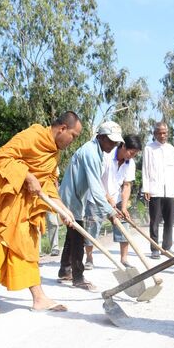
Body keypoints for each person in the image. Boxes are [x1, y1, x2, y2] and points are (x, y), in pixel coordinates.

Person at [0, 111, 82, 316]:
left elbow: (47, 186)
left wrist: (62, 209)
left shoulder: (53, 155)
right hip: (4, 203)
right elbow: (2, 158)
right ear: (62, 128)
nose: (72, 141)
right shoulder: (33, 135)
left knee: (26, 248)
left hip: (24, 209)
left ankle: (39, 298)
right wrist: (27, 176)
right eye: (73, 135)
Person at [58, 121, 122, 291]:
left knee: (73, 234)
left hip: (77, 195)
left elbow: (95, 184)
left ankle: (65, 270)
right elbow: (95, 188)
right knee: (78, 235)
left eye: (116, 142)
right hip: (71, 197)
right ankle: (78, 277)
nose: (114, 145)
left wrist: (109, 203)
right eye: (111, 141)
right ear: (100, 137)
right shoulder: (91, 153)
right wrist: (110, 213)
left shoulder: (97, 150)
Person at [84, 134, 142, 269]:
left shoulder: (130, 163)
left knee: (124, 228)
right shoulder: (106, 156)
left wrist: (124, 206)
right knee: (91, 228)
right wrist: (107, 197)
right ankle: (89, 257)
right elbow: (95, 179)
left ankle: (124, 259)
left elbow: (127, 185)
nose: (131, 156)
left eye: (134, 154)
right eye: (130, 152)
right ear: (123, 146)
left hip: (116, 200)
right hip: (96, 198)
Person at [142, 122, 174, 259]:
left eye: (165, 133)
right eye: (160, 133)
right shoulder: (149, 149)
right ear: (155, 134)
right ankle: (155, 248)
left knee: (169, 220)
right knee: (154, 220)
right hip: (154, 189)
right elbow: (145, 169)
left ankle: (167, 247)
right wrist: (146, 188)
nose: (162, 135)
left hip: (169, 189)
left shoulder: (171, 149)